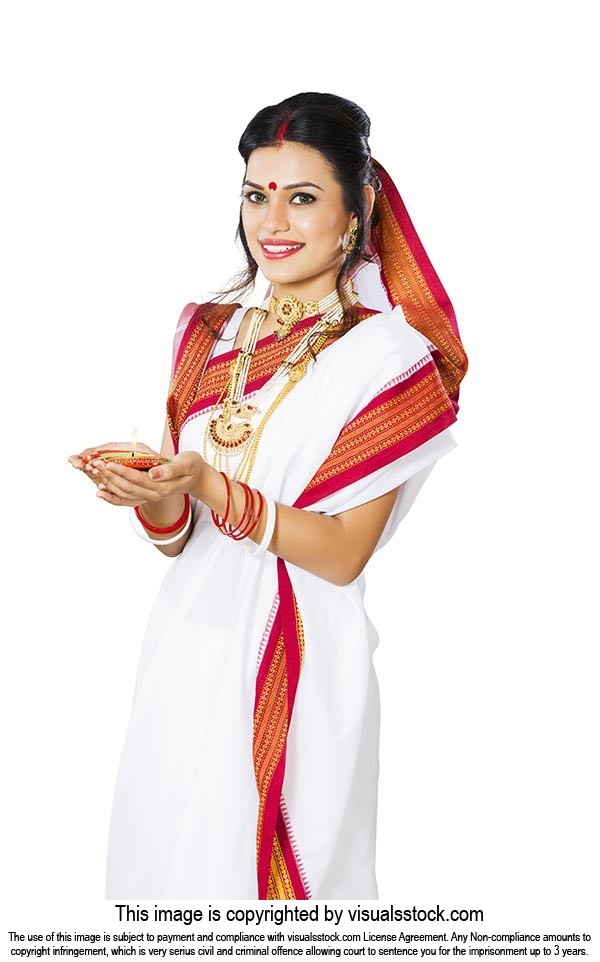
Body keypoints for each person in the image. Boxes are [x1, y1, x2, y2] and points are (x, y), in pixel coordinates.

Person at [68, 91, 468, 900]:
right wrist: (154, 495)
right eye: (257, 195)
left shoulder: (388, 360)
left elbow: (344, 552)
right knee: (168, 875)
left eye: (304, 197)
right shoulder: (209, 335)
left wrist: (215, 485)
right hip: (185, 646)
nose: (273, 220)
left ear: (355, 216)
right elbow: (186, 538)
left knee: (283, 895)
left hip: (302, 658)